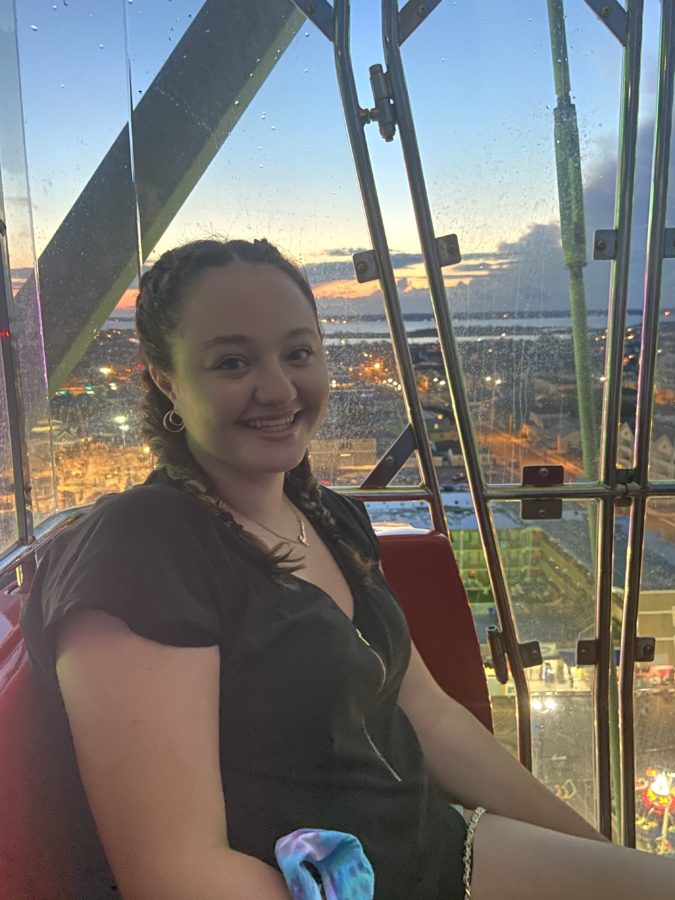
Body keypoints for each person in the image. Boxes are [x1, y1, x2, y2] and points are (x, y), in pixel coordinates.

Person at [21, 239, 675, 899]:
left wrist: (597, 856)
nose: (276, 389)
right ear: (164, 377)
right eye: (232, 361)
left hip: (444, 851)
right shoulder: (140, 551)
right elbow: (179, 874)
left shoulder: (329, 516)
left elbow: (430, 715)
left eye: (298, 353)